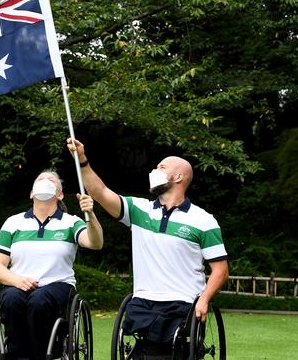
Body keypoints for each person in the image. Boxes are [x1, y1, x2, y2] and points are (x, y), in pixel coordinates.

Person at [66, 138, 228, 344]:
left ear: (178, 176)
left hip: (183, 301)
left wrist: (204, 299)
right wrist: (82, 159)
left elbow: (221, 270)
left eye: (161, 167)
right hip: (143, 300)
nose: (154, 171)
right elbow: (99, 192)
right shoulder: (139, 210)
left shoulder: (204, 221)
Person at [0, 170, 104, 360]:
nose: (45, 182)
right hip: (18, 283)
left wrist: (91, 215)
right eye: (39, 180)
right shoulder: (13, 223)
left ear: (60, 195)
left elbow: (95, 242)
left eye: (51, 181)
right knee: (12, 300)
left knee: (38, 301)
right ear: (32, 192)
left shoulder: (71, 222)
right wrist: (16, 280)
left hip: (57, 285)